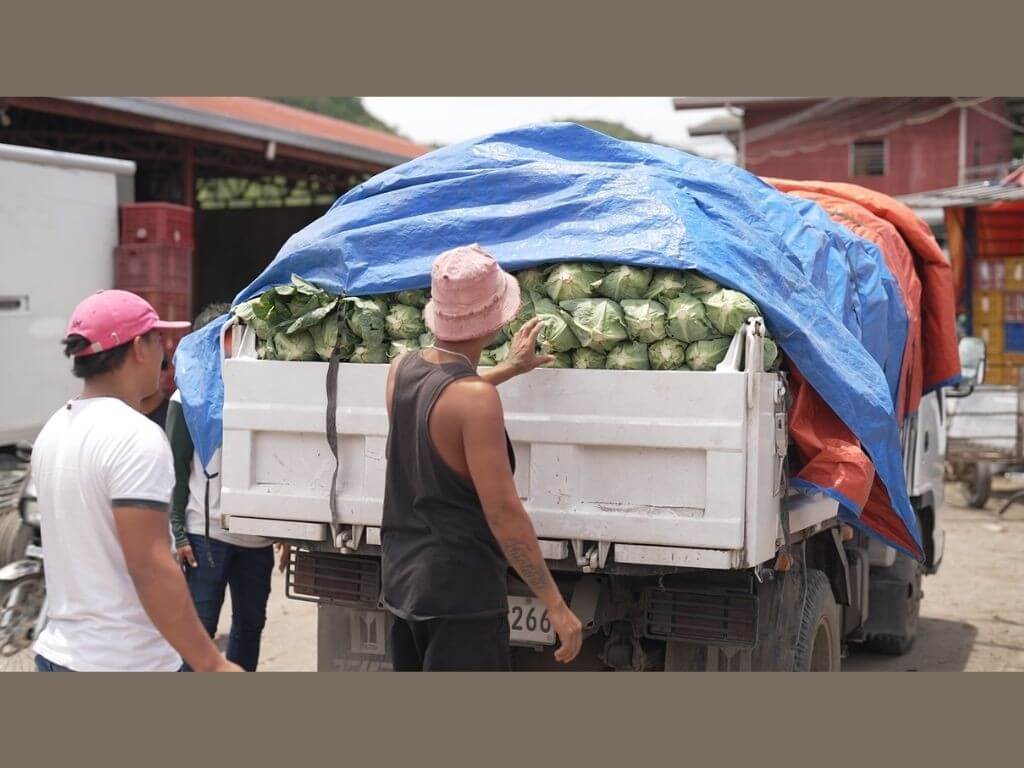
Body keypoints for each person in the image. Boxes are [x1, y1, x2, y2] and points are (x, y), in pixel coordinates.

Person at [382, 243, 583, 671]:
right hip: (461, 600)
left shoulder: (401, 368)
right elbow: (504, 515)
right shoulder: (476, 401)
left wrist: (507, 369)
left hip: (403, 588)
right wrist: (555, 604)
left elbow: (440, 407)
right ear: (497, 320)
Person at [31, 289, 241, 672]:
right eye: (158, 338)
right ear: (138, 348)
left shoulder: (54, 429)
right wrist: (213, 664)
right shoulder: (135, 436)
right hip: (124, 662)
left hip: (58, 655)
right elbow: (150, 566)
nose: (165, 352)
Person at [165, 303, 286, 672]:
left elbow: (283, 462)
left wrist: (287, 527)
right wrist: (178, 531)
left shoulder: (266, 397)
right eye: (229, 339)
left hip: (257, 539)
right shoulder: (185, 399)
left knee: (250, 626)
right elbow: (175, 469)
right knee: (200, 630)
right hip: (206, 536)